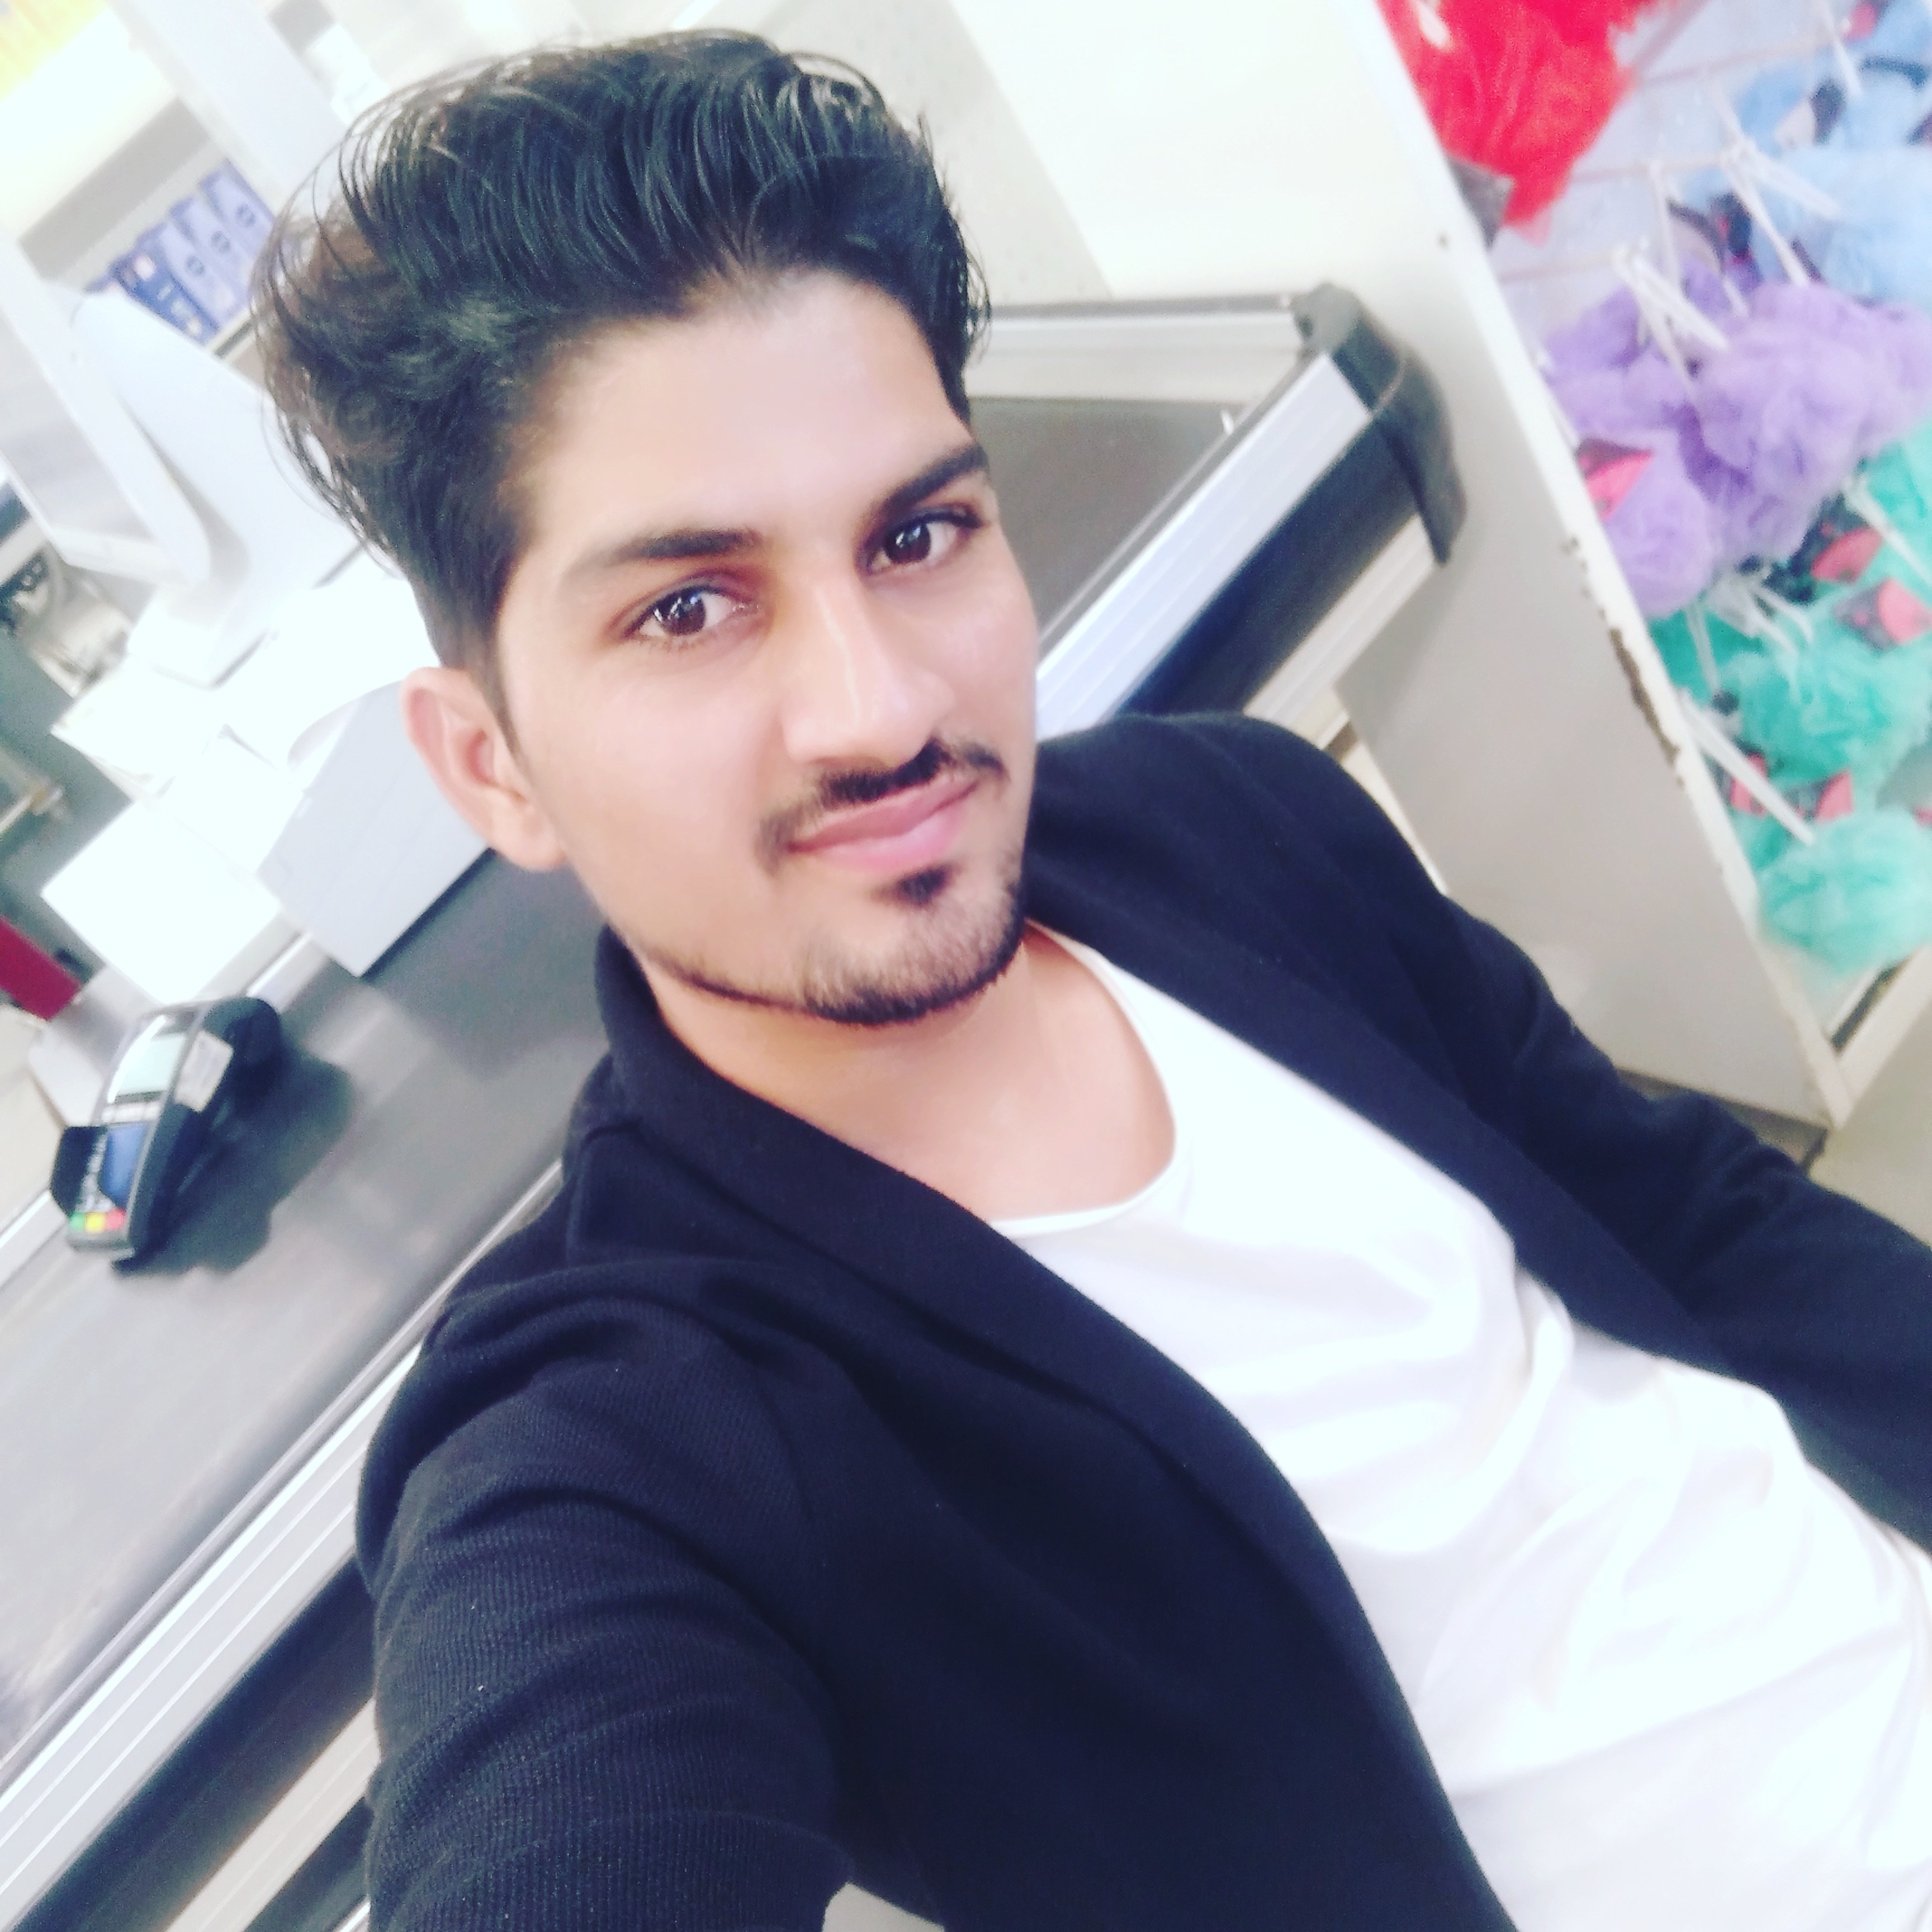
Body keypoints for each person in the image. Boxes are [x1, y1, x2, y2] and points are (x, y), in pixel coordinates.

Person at [259, 32, 1932, 1932]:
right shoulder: (625, 1433)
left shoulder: (1236, 824)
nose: (882, 709)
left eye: (919, 535)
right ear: (489, 764)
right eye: (688, 607)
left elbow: (1693, 1220)